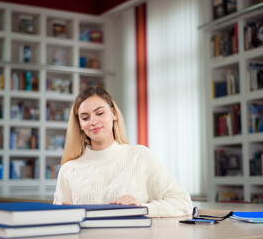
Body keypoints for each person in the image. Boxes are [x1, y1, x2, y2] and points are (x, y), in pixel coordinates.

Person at [53, 87, 192, 217]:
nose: (93, 121)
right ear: (80, 125)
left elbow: (183, 203)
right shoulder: (68, 170)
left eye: (100, 113)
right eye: (85, 118)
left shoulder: (140, 156)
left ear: (114, 114)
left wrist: (141, 208)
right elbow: (58, 219)